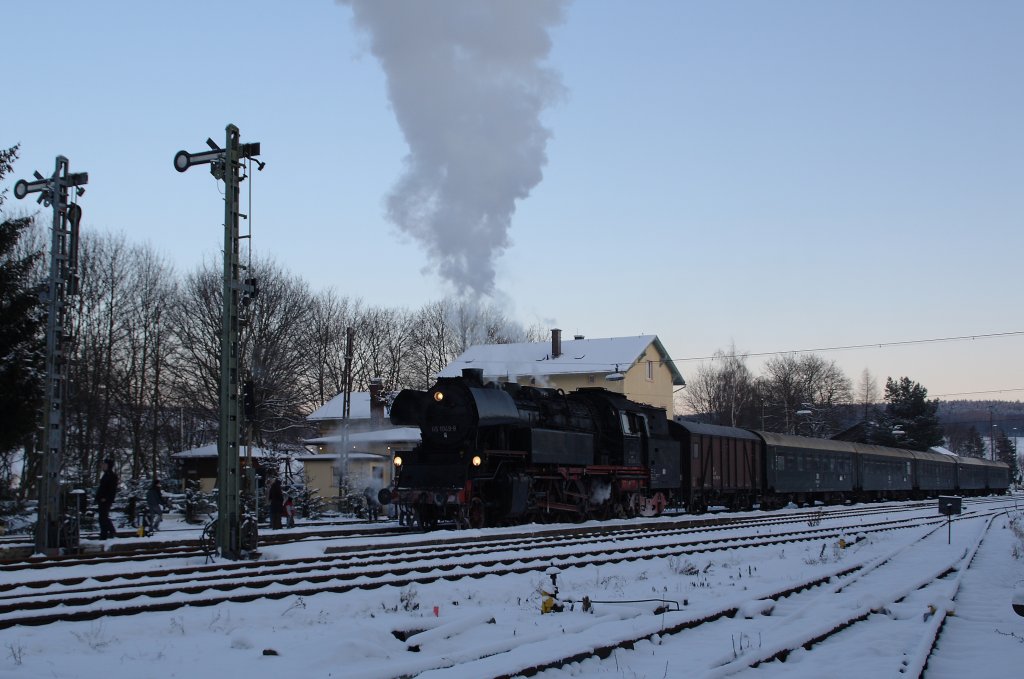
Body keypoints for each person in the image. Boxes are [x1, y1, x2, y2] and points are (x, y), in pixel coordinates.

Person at [95, 459, 118, 540]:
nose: (103, 466)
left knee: (103, 517)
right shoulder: (105, 475)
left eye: (104, 464)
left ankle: (109, 532)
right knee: (102, 517)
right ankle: (106, 533)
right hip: (102, 499)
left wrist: (106, 498)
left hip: (106, 499)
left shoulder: (111, 476)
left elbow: (112, 489)